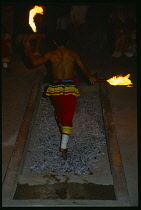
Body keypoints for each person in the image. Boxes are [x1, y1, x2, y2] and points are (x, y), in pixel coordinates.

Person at [24, 31, 96, 159]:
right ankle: (64, 141)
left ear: (55, 42)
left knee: (62, 113)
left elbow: (34, 63)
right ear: (68, 42)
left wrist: (28, 47)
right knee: (66, 114)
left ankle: (64, 146)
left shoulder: (51, 54)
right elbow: (85, 70)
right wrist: (90, 77)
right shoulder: (73, 54)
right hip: (69, 88)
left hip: (57, 88)